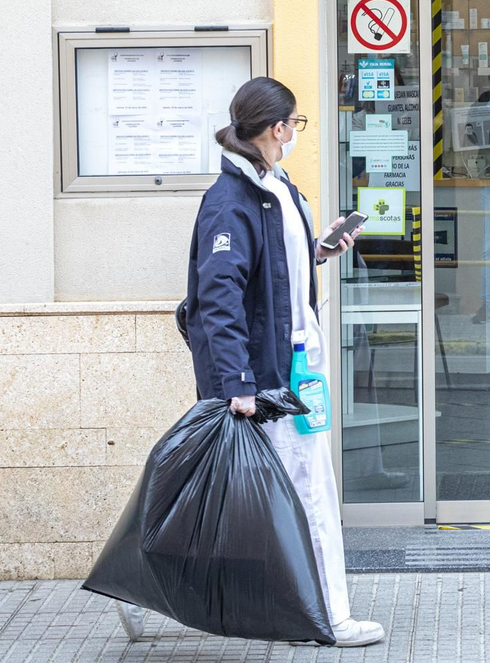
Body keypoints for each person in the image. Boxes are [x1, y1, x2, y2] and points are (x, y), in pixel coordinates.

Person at [124, 77, 384, 648]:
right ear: (275, 129)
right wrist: (238, 384)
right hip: (268, 382)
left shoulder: (274, 185)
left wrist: (320, 250)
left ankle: (147, 582)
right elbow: (218, 296)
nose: (295, 133)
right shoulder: (231, 200)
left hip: (295, 371)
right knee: (306, 494)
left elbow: (274, 268)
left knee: (272, 498)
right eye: (294, 124)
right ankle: (328, 618)